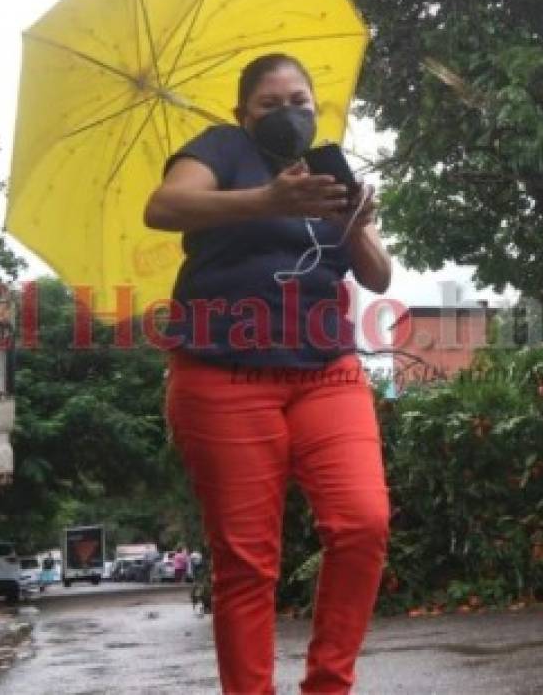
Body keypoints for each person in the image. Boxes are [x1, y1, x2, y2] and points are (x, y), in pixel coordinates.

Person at [145, 52, 392, 695]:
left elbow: (378, 276)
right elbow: (165, 207)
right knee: (247, 562)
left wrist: (356, 226)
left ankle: (328, 685)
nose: (289, 114)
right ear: (242, 113)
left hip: (325, 370)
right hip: (223, 375)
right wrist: (267, 199)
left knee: (362, 523)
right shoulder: (221, 148)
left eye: (300, 102)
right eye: (270, 104)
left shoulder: (330, 170)